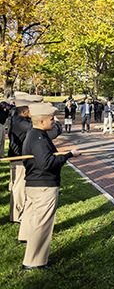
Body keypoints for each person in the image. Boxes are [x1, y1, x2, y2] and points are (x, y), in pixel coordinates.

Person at [20, 102, 80, 271]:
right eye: (51, 118)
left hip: (36, 184)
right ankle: (34, 261)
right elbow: (47, 163)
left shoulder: (35, 134)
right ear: (41, 122)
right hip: (43, 186)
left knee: (35, 221)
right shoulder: (38, 139)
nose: (54, 121)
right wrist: (69, 155)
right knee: (42, 224)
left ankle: (32, 255)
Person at [8, 97, 34, 223]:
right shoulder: (21, 122)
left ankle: (18, 213)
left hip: (18, 157)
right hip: (18, 158)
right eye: (30, 110)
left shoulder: (19, 119)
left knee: (19, 186)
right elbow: (34, 130)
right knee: (18, 188)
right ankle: (16, 215)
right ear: (24, 112)